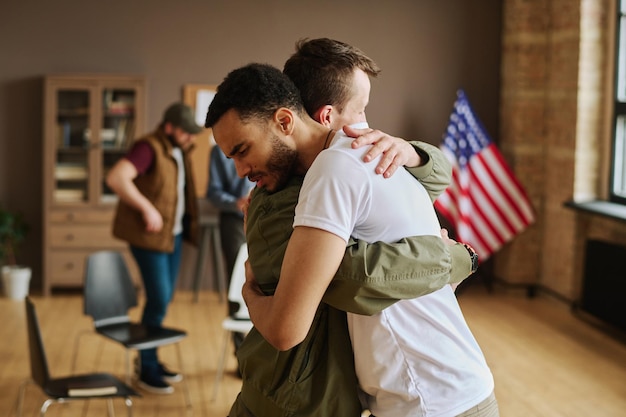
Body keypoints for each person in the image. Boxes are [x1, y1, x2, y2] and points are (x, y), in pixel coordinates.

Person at [206, 61, 496, 417]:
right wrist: (452, 259)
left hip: (436, 396)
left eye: (242, 150)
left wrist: (413, 152)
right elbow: (349, 274)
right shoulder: (294, 191)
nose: (362, 126)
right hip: (387, 396)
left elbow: (350, 272)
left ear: (285, 120)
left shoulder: (353, 163)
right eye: (357, 110)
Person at [106, 102, 202, 395]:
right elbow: (116, 178)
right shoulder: (147, 147)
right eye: (186, 132)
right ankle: (146, 367)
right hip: (149, 239)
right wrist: (147, 209)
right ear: (170, 127)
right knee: (159, 299)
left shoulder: (177, 150)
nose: (190, 138)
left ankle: (151, 360)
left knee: (161, 300)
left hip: (170, 238)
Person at [206, 142, 254, 351]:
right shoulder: (218, 151)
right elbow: (213, 191)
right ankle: (240, 350)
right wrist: (236, 203)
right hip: (233, 221)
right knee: (237, 282)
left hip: (266, 217)